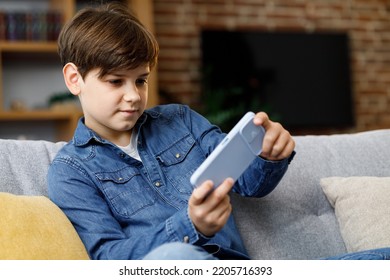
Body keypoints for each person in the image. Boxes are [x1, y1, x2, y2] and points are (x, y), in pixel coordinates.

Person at [47, 2, 389, 260]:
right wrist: (190, 226)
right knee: (175, 258)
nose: (134, 95)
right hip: (175, 266)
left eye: (141, 80)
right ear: (74, 78)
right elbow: (108, 259)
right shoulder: (70, 171)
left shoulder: (180, 120)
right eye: (115, 82)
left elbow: (248, 183)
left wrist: (268, 155)